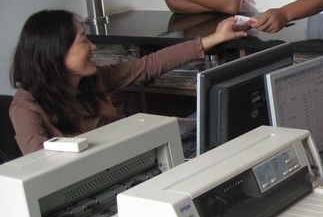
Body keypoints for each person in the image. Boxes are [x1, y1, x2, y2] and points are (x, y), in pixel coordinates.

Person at [10, 9, 248, 155]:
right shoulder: (26, 107)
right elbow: (38, 165)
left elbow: (147, 65)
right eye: (83, 41)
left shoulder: (90, 81)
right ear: (55, 52)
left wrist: (212, 39)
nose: (93, 47)